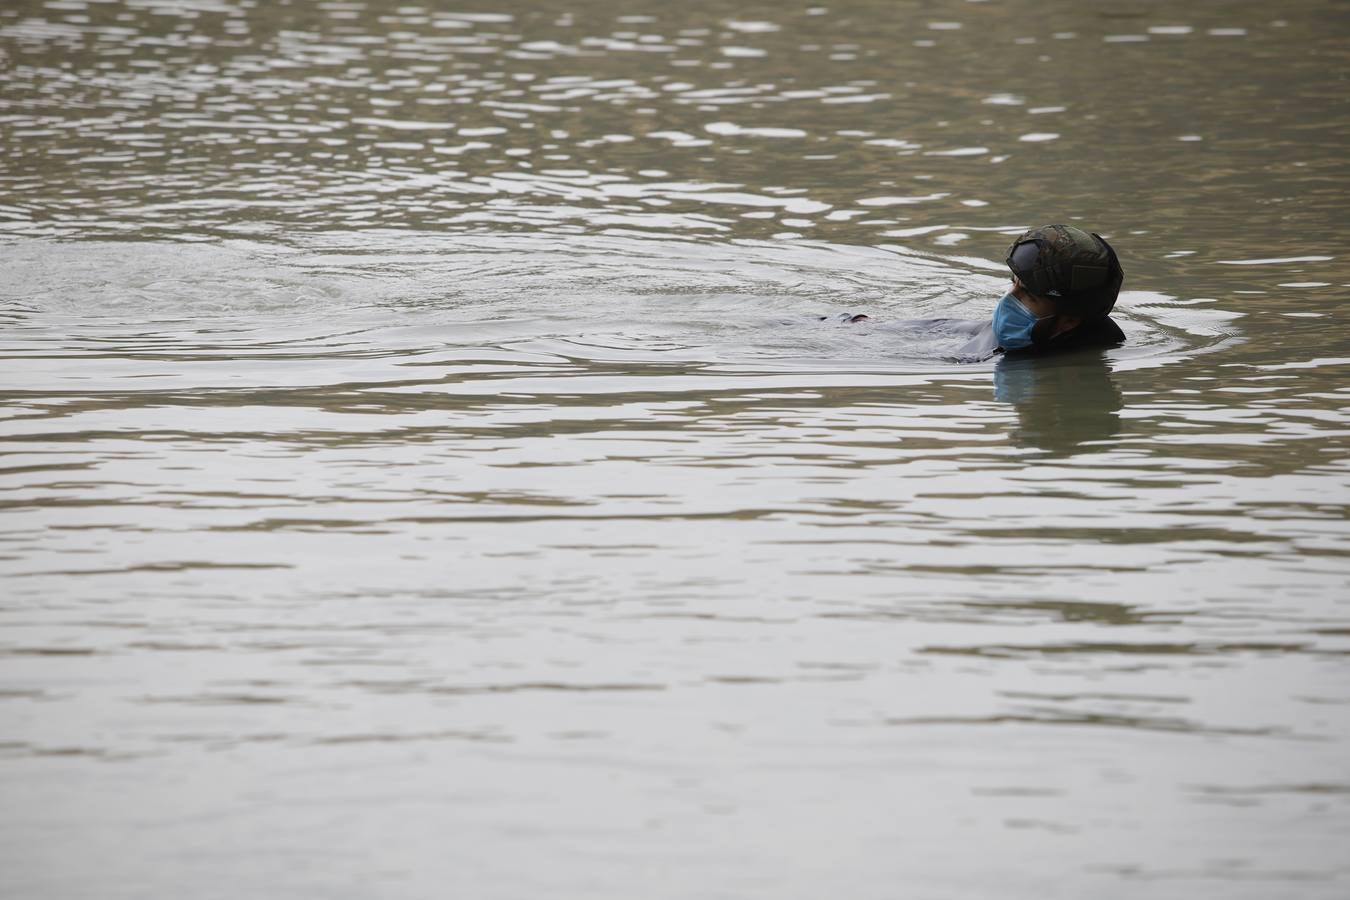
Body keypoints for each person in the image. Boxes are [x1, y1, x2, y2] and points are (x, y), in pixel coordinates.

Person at [991, 224, 1126, 354]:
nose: (1007, 298)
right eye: (1013, 283)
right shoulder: (982, 338)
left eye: (1030, 296)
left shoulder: (1084, 357)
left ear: (1069, 321)